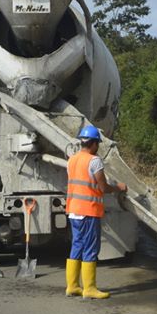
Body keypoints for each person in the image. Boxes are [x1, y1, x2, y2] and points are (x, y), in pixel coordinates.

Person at [64, 124, 127, 299]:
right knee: (91, 248)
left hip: (74, 210)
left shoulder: (72, 160)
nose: (98, 147)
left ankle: (72, 286)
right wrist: (118, 187)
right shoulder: (94, 161)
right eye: (97, 144)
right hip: (88, 211)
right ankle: (89, 289)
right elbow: (103, 187)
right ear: (93, 144)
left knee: (76, 245)